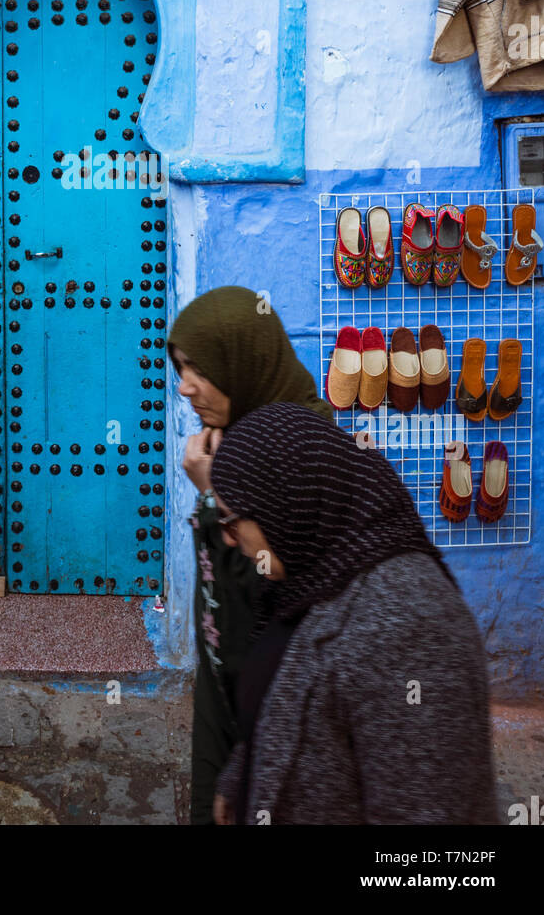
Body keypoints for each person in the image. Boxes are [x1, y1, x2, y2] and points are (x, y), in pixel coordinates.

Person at [209, 400, 499, 825]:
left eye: (232, 521)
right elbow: (290, 694)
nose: (230, 540)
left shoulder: (409, 624)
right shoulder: (310, 576)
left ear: (284, 501)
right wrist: (243, 777)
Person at [167, 285, 334, 826]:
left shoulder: (304, 450)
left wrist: (216, 493)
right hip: (224, 685)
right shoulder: (227, 440)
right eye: (180, 367)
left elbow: (278, 578)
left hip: (278, 701)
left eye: (200, 369)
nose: (185, 387)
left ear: (242, 361)